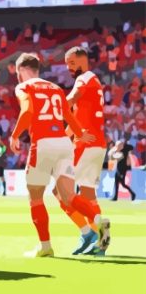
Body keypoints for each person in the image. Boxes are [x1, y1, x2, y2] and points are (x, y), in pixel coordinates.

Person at [10, 53, 110, 258]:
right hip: (64, 145)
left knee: (35, 196)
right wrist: (81, 134)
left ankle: (45, 246)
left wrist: (14, 135)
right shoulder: (55, 88)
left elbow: (27, 110)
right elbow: (69, 115)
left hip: (43, 143)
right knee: (69, 195)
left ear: (21, 70)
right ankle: (99, 220)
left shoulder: (24, 87)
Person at [61, 47, 109, 255]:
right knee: (88, 194)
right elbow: (76, 118)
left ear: (83, 60)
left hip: (84, 143)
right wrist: (62, 137)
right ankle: (101, 242)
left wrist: (51, 106)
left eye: (72, 63)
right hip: (97, 143)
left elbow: (68, 101)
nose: (68, 68)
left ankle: (87, 231)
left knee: (60, 192)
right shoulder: (94, 82)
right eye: (67, 64)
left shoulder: (85, 79)